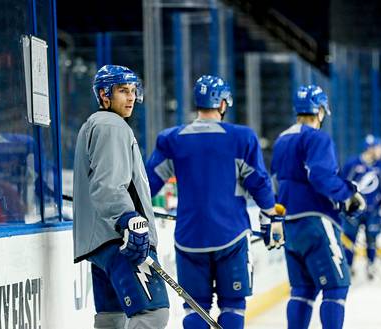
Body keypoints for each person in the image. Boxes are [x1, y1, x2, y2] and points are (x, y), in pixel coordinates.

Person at [145, 74, 285, 329]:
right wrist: (270, 217)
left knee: (194, 306)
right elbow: (259, 183)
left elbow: (147, 184)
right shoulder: (241, 138)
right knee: (233, 304)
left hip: (189, 238)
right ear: (222, 104)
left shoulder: (171, 139)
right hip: (231, 235)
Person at [73, 65, 169, 329]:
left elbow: (98, 185)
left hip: (102, 243)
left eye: (133, 91)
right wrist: (130, 219)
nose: (130, 98)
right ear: (104, 95)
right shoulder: (111, 124)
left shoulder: (93, 124)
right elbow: (109, 185)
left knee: (111, 320)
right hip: (123, 240)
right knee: (153, 313)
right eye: (122, 91)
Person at [270, 84, 366, 329]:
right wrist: (348, 194)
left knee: (302, 290)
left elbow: (274, 182)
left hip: (291, 223)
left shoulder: (282, 140)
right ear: (320, 111)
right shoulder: (317, 138)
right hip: (317, 221)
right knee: (336, 286)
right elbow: (320, 177)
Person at [342, 134, 381, 279]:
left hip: (373, 210)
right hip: (353, 210)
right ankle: (348, 266)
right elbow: (343, 183)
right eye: (379, 147)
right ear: (370, 149)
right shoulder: (352, 163)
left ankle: (371, 265)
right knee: (349, 239)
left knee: (371, 239)